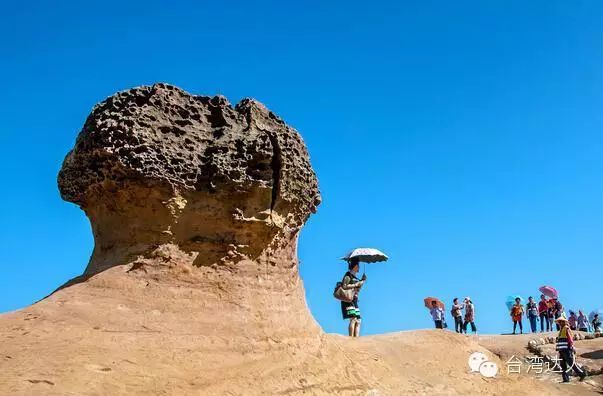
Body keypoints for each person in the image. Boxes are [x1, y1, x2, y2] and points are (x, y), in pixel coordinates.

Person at [555, 315, 586, 383]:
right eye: (559, 322)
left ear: (564, 322)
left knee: (571, 363)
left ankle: (582, 374)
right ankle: (565, 379)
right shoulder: (561, 330)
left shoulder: (566, 328)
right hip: (561, 350)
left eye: (561, 322)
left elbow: (570, 339)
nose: (560, 323)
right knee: (563, 365)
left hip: (566, 349)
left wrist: (572, 347)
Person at [340, 258, 366, 337]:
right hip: (348, 299)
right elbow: (344, 286)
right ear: (355, 266)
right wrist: (356, 284)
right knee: (353, 319)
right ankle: (351, 340)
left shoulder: (355, 277)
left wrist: (362, 281)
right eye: (358, 265)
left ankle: (356, 339)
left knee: (358, 320)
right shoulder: (348, 275)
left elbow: (357, 289)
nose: (359, 267)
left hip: (354, 299)